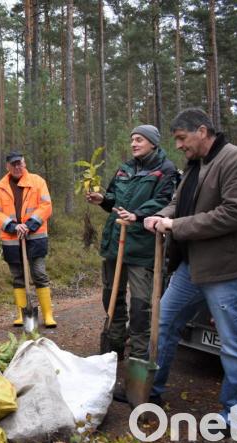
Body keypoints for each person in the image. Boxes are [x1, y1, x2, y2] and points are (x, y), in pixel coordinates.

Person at [144, 108, 237, 433]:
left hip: (227, 268)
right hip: (191, 266)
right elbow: (180, 204)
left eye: (182, 139)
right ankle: (150, 392)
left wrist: (176, 224)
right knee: (164, 322)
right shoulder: (197, 166)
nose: (179, 146)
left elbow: (234, 213)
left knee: (233, 342)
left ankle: (236, 417)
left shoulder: (236, 161)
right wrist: (159, 216)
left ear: (201, 131)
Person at [85, 125, 177, 360]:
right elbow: (114, 199)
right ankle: (114, 346)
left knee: (140, 305)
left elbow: (164, 201)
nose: (134, 144)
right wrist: (103, 199)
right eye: (132, 140)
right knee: (111, 297)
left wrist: (137, 214)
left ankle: (138, 353)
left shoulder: (165, 170)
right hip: (116, 243)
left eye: (139, 140)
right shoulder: (125, 168)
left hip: (142, 246)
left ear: (153, 143)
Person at [0, 151, 56, 328]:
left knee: (39, 274)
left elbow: (46, 206)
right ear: (7, 166)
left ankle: (48, 315)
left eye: (20, 163)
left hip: (35, 236)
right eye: (14, 164)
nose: (18, 167)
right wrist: (12, 226)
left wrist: (30, 224)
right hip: (12, 239)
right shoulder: (0, 187)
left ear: (25, 163)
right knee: (18, 276)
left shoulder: (37, 182)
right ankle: (22, 314)